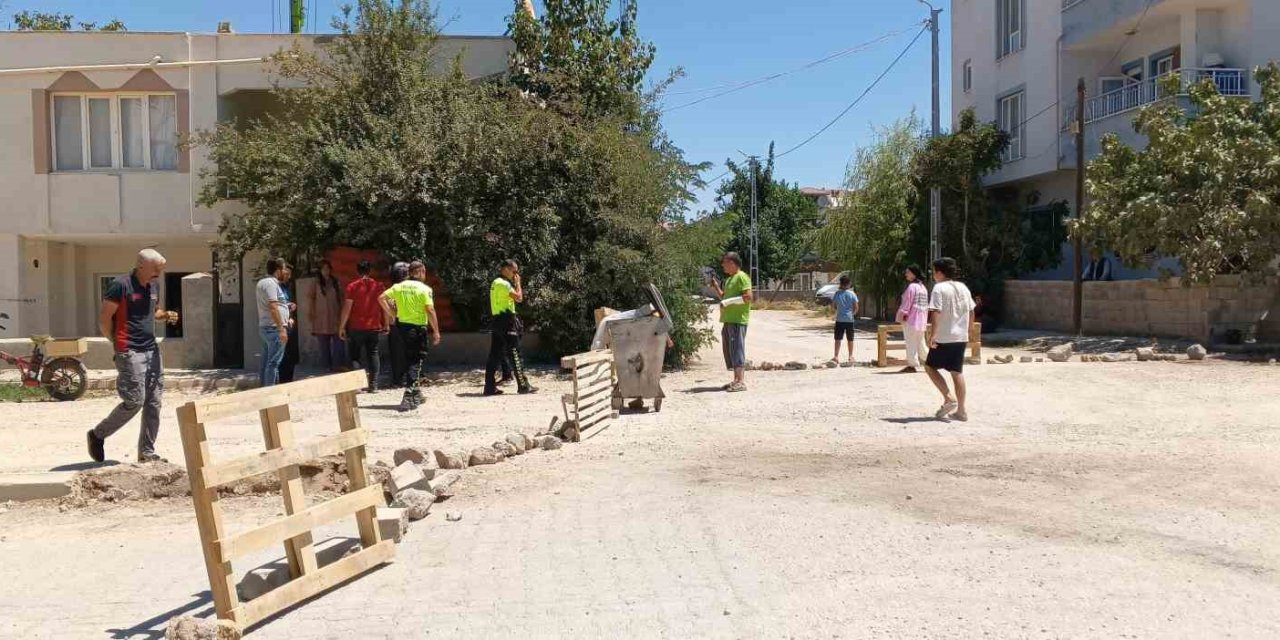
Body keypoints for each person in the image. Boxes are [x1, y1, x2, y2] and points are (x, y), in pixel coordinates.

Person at [86, 249, 179, 464]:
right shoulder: (121, 285)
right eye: (155, 268)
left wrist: (164, 315)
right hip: (130, 351)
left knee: (154, 402)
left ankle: (147, 453)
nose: (158, 271)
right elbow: (104, 319)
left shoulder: (153, 285)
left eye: (160, 268)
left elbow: (152, 311)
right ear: (140, 266)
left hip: (151, 350)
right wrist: (117, 344)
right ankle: (98, 434)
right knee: (135, 400)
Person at [380, 261, 441, 411]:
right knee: (416, 361)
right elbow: (430, 310)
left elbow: (381, 298)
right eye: (424, 272)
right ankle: (408, 395)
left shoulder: (398, 286)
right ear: (419, 272)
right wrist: (436, 331)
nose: (424, 275)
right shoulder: (424, 289)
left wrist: (392, 314)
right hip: (418, 328)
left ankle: (416, 393)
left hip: (403, 328)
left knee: (410, 359)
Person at [924, 257, 976, 422]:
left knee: (930, 367)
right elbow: (971, 310)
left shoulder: (939, 288)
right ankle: (961, 411)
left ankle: (948, 397)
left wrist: (933, 334)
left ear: (939, 272)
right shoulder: (963, 287)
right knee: (957, 371)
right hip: (960, 336)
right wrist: (969, 329)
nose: (933, 275)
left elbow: (936, 312)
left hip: (944, 336)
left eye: (934, 271)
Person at [483, 259, 536, 396]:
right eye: (514, 271)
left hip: (497, 321)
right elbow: (519, 298)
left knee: (494, 355)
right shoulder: (504, 284)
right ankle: (523, 385)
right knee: (515, 353)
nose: (515, 274)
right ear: (506, 269)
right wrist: (518, 283)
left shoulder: (495, 283)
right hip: (507, 321)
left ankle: (489, 387)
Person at [339, 260, 387, 393]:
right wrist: (387, 324)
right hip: (374, 326)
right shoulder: (378, 286)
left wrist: (341, 327)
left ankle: (357, 386)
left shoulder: (352, 287)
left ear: (357, 271)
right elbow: (384, 307)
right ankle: (374, 385)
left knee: (355, 356)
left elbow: (347, 308)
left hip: (356, 327)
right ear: (369, 270)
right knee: (373, 354)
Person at [711, 252, 752, 392]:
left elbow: (748, 297)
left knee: (737, 349)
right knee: (730, 350)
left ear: (732, 263)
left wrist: (727, 302)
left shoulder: (742, 277)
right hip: (728, 320)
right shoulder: (729, 280)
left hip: (737, 320)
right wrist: (716, 287)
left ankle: (741, 381)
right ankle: (735, 380)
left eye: (724, 262)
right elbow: (724, 297)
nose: (722, 265)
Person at [256, 258, 292, 387]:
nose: (285, 271)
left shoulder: (264, 282)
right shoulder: (271, 284)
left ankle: (263, 389)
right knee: (273, 363)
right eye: (283, 269)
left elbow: (275, 304)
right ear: (278, 270)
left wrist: (287, 307)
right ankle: (270, 393)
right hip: (274, 329)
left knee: (266, 362)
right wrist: (281, 329)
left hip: (268, 327)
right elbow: (273, 307)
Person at [307, 259, 345, 372]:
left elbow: (341, 298)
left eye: (328, 269)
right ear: (320, 270)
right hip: (321, 318)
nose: (326, 271)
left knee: (338, 341)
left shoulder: (335, 281)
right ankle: (326, 367)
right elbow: (311, 298)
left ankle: (337, 365)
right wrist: (311, 312)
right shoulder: (316, 282)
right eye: (324, 269)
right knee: (323, 344)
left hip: (335, 316)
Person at [895, 264, 929, 373]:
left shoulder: (912, 287)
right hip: (921, 320)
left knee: (910, 342)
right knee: (920, 342)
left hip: (911, 319)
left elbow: (907, 304)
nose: (906, 274)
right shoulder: (923, 287)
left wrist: (902, 316)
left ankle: (912, 365)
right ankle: (932, 361)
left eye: (908, 272)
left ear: (914, 274)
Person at [386, 261, 410, 388]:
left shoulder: (392, 290)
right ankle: (407, 378)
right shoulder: (409, 290)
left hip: (395, 325)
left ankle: (397, 379)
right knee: (407, 352)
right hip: (407, 323)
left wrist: (389, 321)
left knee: (396, 353)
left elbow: (387, 305)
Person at [830, 275, 859, 365]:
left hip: (839, 319)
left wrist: (838, 311)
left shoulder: (837, 294)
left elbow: (833, 306)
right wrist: (852, 314)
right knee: (850, 339)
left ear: (841, 283)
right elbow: (856, 307)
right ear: (849, 284)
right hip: (849, 319)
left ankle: (836, 356)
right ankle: (850, 356)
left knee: (838, 339)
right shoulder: (852, 294)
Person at [278, 278, 301, 383]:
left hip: (289, 323)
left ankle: (288, 379)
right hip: (280, 324)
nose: (287, 277)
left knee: (290, 353)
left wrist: (291, 315)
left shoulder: (288, 287)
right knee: (282, 354)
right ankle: (281, 380)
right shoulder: (275, 287)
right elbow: (274, 306)